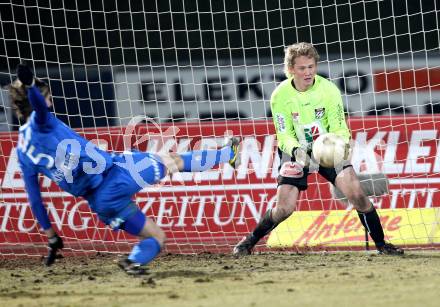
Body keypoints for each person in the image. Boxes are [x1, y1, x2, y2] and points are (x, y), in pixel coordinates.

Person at [10, 64, 240, 275]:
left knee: (156, 237)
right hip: (118, 174)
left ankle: (133, 262)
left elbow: (35, 200)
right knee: (173, 161)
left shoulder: (22, 152)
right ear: (40, 100)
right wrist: (31, 86)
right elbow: (40, 110)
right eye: (48, 98)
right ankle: (229, 154)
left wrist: (51, 236)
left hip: (100, 203)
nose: (50, 103)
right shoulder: (42, 122)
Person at [233, 42, 403, 256]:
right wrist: (297, 151)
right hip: (294, 152)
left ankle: (382, 245)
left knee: (357, 194)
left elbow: (339, 126)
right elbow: (284, 135)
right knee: (284, 208)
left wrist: (341, 142)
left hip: (328, 148)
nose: (308, 72)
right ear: (291, 70)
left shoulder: (329, 90)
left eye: (311, 67)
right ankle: (247, 242)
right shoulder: (280, 95)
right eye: (302, 68)